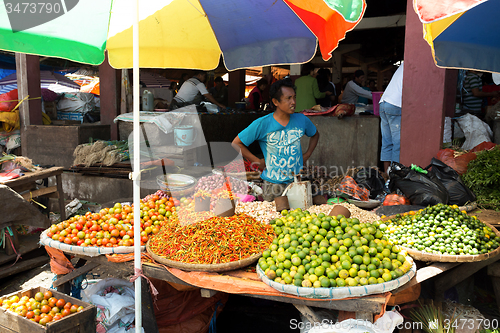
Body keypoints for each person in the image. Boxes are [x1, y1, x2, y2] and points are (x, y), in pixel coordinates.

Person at [232, 78, 320, 201]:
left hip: (297, 182)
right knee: (273, 217)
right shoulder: (263, 123)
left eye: (294, 97)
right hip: (273, 185)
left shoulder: (302, 120)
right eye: (288, 98)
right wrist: (257, 161)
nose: (293, 102)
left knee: (298, 216)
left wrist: (308, 153)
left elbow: (315, 135)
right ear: (275, 101)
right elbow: (236, 143)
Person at [379, 62, 404, 173]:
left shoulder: (403, 65)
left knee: (387, 142)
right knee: (397, 144)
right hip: (395, 105)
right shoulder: (414, 65)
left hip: (383, 103)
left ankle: (386, 176)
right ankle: (394, 176)